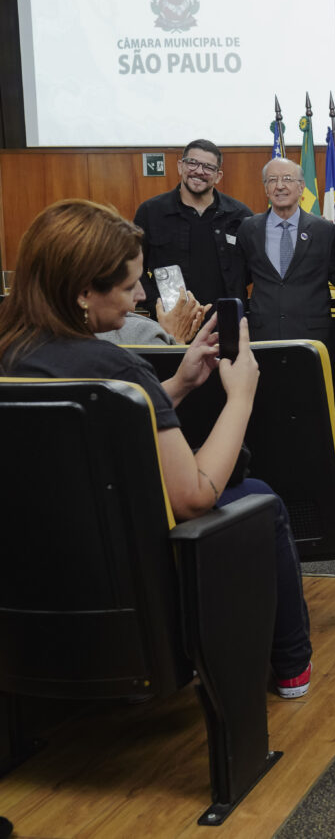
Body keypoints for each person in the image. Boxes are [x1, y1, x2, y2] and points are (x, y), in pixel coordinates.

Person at [0, 199, 313, 698]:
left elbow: (89, 421)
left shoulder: (14, 354)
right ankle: (292, 668)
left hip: (39, 559)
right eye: (128, 286)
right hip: (132, 563)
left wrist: (179, 385)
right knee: (259, 497)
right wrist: (241, 396)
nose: (141, 296)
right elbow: (194, 497)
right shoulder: (117, 366)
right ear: (83, 292)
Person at [133, 139, 252, 310]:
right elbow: (133, 267)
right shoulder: (151, 212)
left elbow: (253, 270)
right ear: (180, 166)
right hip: (171, 323)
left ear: (218, 176)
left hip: (226, 321)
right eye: (192, 163)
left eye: (208, 167)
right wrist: (159, 305)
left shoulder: (240, 215)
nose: (199, 171)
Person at [236, 157, 335, 348]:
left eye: (287, 179)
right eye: (272, 180)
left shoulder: (324, 230)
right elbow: (238, 281)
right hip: (263, 334)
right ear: (266, 188)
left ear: (301, 187)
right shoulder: (249, 228)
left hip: (312, 337)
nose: (280, 186)